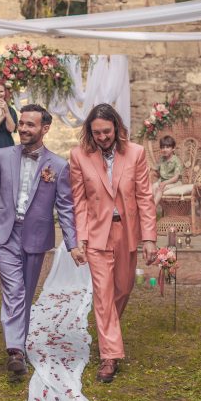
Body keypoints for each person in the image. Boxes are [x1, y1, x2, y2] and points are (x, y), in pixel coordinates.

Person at [0, 104, 79, 380]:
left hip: (36, 237)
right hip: (5, 234)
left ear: (45, 129)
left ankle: (18, 344)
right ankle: (15, 351)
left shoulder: (57, 166)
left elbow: (66, 208)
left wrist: (73, 244)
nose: (23, 129)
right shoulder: (2, 156)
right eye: (21, 123)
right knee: (15, 291)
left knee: (26, 293)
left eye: (30, 125)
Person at [69, 103, 157, 383]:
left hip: (126, 232)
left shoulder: (136, 153)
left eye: (106, 131)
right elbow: (79, 201)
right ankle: (110, 356)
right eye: (97, 133)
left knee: (123, 288)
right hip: (96, 234)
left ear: (116, 128)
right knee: (103, 295)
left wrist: (150, 239)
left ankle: (107, 333)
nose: (103, 137)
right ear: (89, 133)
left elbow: (144, 197)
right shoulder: (78, 156)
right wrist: (80, 239)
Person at [151, 135, 183, 206]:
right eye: (163, 147)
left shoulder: (176, 160)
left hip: (174, 182)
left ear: (173, 148)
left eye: (167, 147)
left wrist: (165, 183)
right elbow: (156, 171)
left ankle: (152, 208)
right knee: (153, 186)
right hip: (163, 180)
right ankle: (150, 205)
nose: (165, 149)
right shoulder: (161, 159)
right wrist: (153, 173)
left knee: (161, 188)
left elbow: (176, 178)